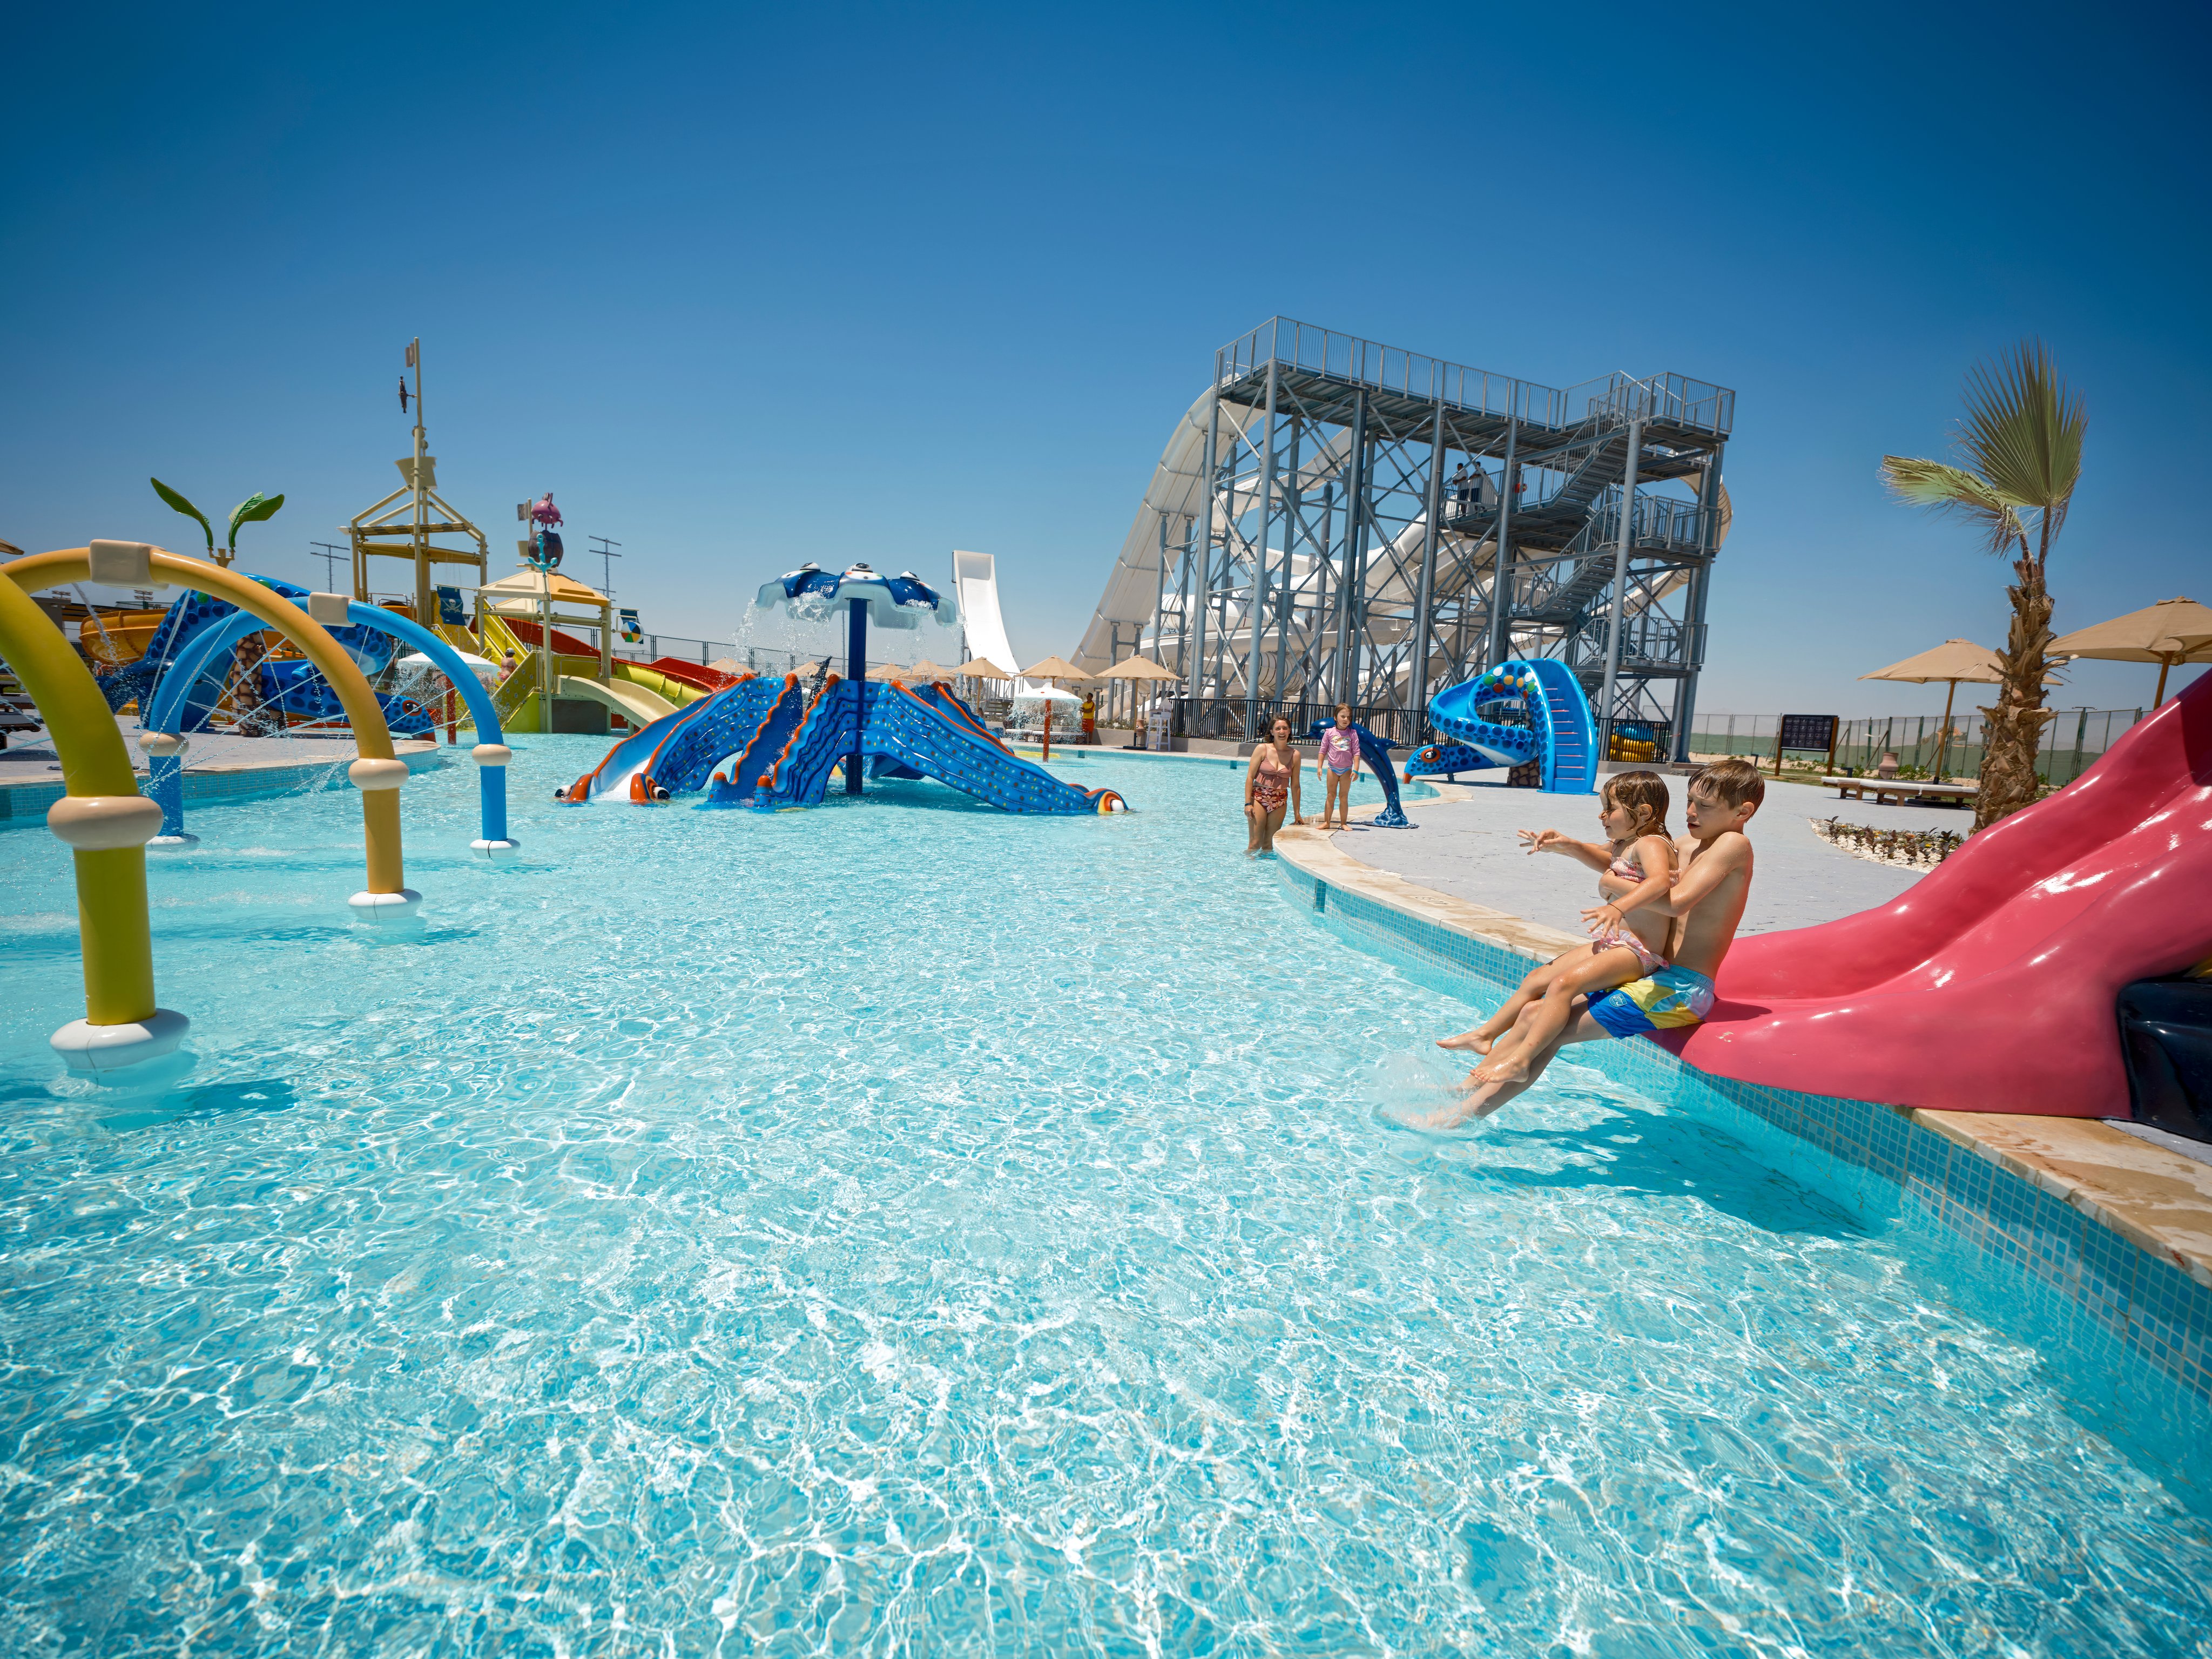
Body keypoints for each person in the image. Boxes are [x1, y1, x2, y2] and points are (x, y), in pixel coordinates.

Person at [1418, 758, 1764, 1127]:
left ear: (1743, 811)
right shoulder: (1685, 843)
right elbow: (1622, 862)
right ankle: (1467, 1087)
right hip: (1652, 976)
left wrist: (1616, 888)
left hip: (1680, 990)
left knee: (1547, 1035)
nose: (1692, 812)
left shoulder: (1733, 844)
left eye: (1705, 806)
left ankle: (1457, 1118)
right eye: (1690, 802)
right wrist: (1569, 846)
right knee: (1535, 1012)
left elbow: (1677, 900)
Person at [1437, 770, 1678, 1058]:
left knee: (1563, 985)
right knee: (1538, 978)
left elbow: (1660, 882)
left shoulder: (1652, 843)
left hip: (1639, 953)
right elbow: (1603, 858)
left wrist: (1617, 905)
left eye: (1609, 809)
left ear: (1643, 812)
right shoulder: (1626, 842)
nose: (1602, 816)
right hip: (1617, 945)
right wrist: (1564, 845)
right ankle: (1484, 1035)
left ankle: (1522, 1057)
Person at [1242, 714, 1305, 855]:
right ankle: (1247, 873)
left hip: (1280, 801)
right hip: (1259, 797)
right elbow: (1250, 777)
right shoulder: (1262, 749)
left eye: (1285, 728)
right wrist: (1248, 803)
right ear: (1272, 732)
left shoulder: (1295, 755)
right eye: (1278, 729)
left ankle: (1263, 875)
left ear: (1289, 731)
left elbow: (1295, 786)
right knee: (1254, 843)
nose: (1282, 732)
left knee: (1269, 845)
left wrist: (1297, 813)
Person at [1317, 705, 1361, 830]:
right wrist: (1319, 767)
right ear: (1335, 717)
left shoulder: (1353, 733)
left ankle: (1343, 823)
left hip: (1347, 769)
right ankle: (1327, 822)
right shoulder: (1329, 732)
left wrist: (1356, 769)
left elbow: (1356, 752)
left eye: (1348, 717)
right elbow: (1323, 751)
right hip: (1332, 768)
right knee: (1331, 795)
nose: (1346, 719)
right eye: (1343, 716)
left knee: (1344, 797)